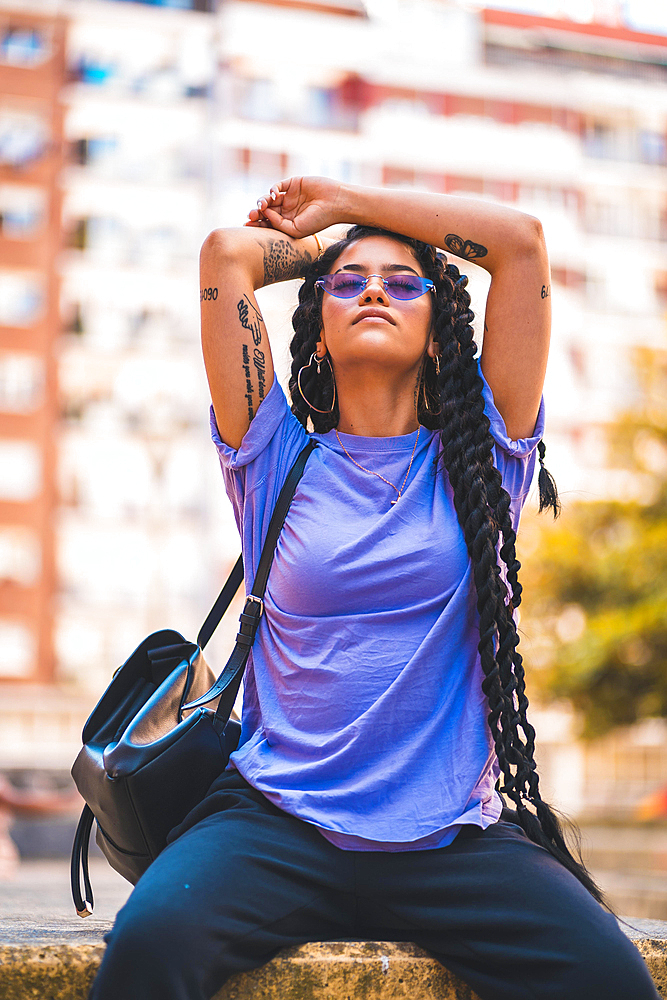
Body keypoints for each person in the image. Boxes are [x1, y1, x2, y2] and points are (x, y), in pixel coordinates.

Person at [89, 177, 659, 1000]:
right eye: (349, 288)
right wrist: (327, 243)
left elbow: (521, 245)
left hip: (451, 843)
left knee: (613, 982)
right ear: (317, 332)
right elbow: (226, 258)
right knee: (146, 951)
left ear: (438, 335)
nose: (373, 294)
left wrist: (355, 202)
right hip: (274, 824)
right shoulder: (273, 457)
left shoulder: (482, 462)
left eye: (402, 285)